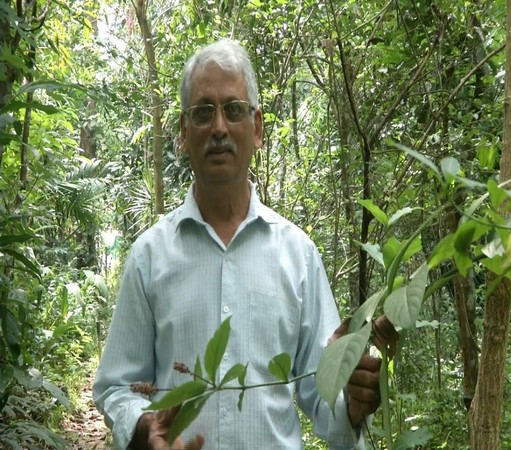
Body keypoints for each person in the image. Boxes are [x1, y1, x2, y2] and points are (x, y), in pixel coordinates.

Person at [93, 38, 398, 450]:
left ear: (256, 129)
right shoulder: (150, 256)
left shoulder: (298, 255)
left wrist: (353, 400)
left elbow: (324, 396)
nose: (219, 127)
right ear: (184, 133)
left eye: (234, 110)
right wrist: (141, 427)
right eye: (203, 112)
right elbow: (116, 387)